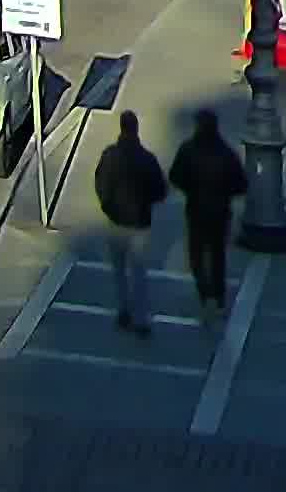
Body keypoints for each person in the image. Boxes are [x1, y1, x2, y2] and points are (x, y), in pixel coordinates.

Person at [166, 109, 249, 314]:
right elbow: (241, 185)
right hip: (220, 212)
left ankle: (204, 293)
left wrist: (190, 189)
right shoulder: (226, 153)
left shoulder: (188, 150)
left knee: (196, 255)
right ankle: (219, 297)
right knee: (217, 255)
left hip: (196, 210)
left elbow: (175, 176)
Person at [93, 113, 168, 335]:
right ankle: (141, 320)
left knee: (119, 271)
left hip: (115, 221)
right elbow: (160, 190)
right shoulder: (147, 158)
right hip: (139, 223)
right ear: (136, 129)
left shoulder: (110, 155)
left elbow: (100, 182)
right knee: (138, 272)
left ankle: (123, 310)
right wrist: (147, 203)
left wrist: (106, 205)